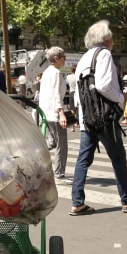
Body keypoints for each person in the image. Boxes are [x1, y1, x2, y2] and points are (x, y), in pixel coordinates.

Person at [71, 20, 127, 215]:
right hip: (104, 117)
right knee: (118, 157)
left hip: (87, 117)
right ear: (106, 39)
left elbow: (78, 92)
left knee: (83, 159)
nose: (113, 40)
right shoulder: (104, 54)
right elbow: (103, 85)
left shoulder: (83, 59)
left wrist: (83, 116)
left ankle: (77, 202)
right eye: (112, 36)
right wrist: (121, 98)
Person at [38, 46, 71, 182]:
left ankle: (35, 157)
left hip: (47, 112)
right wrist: (61, 113)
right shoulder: (56, 73)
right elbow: (55, 95)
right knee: (62, 144)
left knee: (51, 142)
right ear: (56, 58)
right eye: (63, 56)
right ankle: (59, 174)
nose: (65, 59)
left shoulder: (47, 72)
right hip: (53, 112)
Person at [66, 65, 78, 132]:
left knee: (72, 110)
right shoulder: (78, 76)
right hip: (78, 93)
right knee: (80, 109)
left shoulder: (68, 77)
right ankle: (79, 124)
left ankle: (73, 127)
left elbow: (67, 83)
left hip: (71, 93)